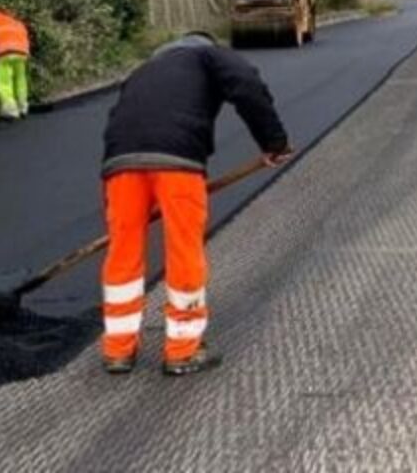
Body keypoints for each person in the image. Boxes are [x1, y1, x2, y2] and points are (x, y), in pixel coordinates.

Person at [100, 31, 292, 376]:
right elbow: (247, 85)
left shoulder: (143, 70)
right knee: (183, 249)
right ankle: (182, 349)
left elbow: (119, 118)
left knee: (123, 250)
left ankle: (118, 349)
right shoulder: (209, 55)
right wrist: (273, 141)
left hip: (120, 162)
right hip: (178, 161)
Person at [0, 7, 31, 121]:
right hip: (21, 53)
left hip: (1, 53)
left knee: (4, 82)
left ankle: (10, 110)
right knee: (20, 80)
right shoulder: (16, 22)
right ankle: (23, 107)